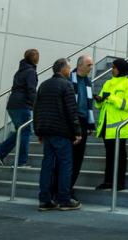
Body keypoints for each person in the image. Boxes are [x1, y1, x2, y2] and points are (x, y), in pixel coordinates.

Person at [33, 58, 82, 212]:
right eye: (69, 67)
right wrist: (77, 132)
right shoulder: (66, 85)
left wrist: (38, 131)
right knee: (65, 165)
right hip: (61, 132)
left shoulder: (44, 85)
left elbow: (36, 110)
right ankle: (64, 199)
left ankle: (45, 200)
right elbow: (71, 111)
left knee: (47, 165)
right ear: (63, 69)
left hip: (46, 132)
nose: (70, 70)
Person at [94, 58, 128, 191]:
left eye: (114, 67)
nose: (112, 69)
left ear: (121, 69)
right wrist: (99, 100)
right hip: (106, 125)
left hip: (120, 125)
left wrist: (111, 98)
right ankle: (108, 181)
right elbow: (100, 105)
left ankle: (119, 182)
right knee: (109, 154)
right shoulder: (108, 83)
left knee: (119, 154)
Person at [0, 49, 39, 168]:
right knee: (26, 132)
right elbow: (31, 90)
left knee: (21, 131)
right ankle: (21, 162)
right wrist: (37, 106)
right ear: (35, 59)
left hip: (13, 104)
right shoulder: (31, 72)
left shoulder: (20, 71)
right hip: (23, 105)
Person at [69, 55, 95, 196]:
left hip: (84, 122)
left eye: (92, 65)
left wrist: (90, 124)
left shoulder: (87, 82)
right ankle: (63, 187)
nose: (91, 68)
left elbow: (88, 104)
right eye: (89, 65)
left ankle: (69, 186)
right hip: (72, 122)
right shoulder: (69, 80)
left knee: (78, 158)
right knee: (69, 157)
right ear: (80, 65)